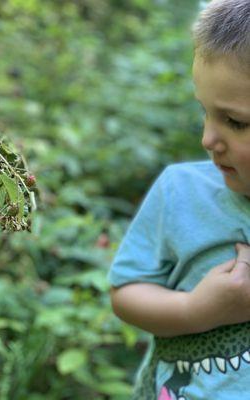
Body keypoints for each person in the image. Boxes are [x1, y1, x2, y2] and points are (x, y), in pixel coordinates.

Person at [107, 1, 250, 399]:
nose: (208, 139)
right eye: (206, 112)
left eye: (236, 122)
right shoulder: (180, 192)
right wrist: (196, 311)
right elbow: (127, 292)